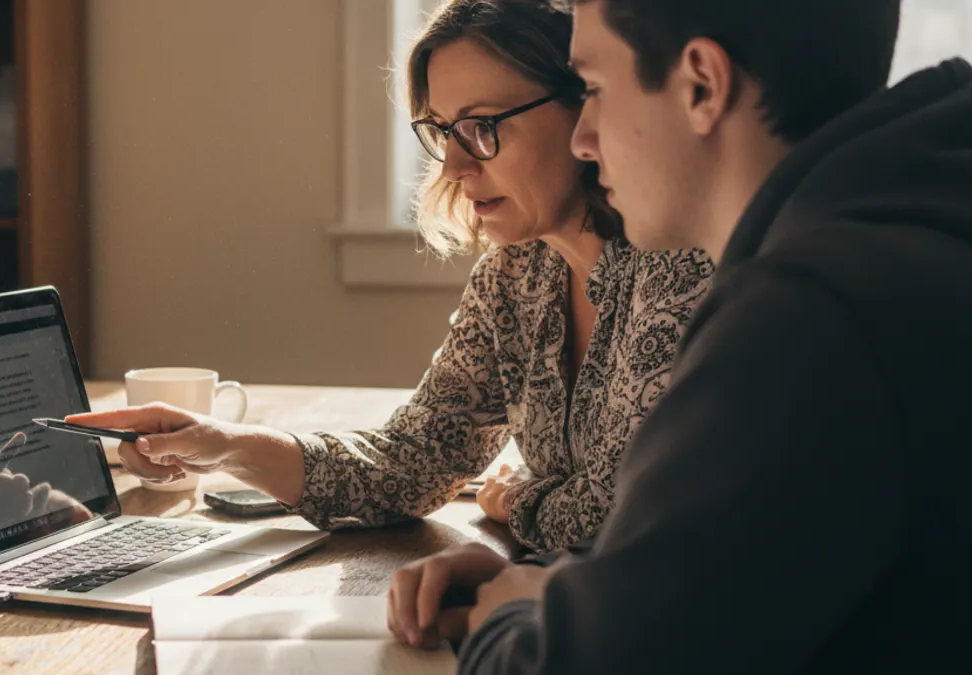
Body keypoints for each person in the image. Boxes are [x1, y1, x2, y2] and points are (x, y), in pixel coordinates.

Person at [386, 0, 972, 672]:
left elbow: (580, 665)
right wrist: (560, 584)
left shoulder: (800, 323)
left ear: (701, 85)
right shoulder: (904, 238)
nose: (584, 138)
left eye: (595, 89)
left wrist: (509, 615)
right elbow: (743, 572)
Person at [67, 0, 713, 554]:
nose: (455, 165)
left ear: (582, 104)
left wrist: (519, 497)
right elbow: (408, 461)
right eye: (444, 131)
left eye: (482, 127)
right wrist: (219, 445)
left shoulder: (679, 263)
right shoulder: (514, 278)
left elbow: (623, 519)